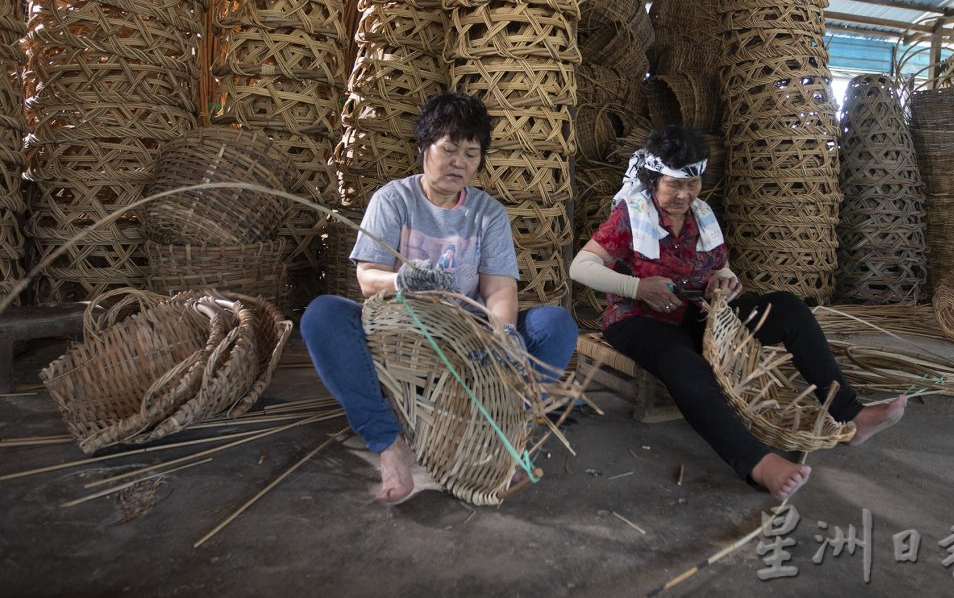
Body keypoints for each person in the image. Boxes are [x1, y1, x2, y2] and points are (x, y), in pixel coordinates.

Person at [569, 126, 906, 499]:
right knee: (685, 365)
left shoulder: (703, 215)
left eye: (692, 183)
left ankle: (851, 415)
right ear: (653, 179)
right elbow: (580, 267)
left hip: (699, 313)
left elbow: (720, 266)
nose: (684, 195)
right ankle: (757, 463)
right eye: (673, 185)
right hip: (638, 321)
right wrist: (636, 288)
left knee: (790, 309)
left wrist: (725, 282)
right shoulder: (630, 215)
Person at [301, 92, 578, 503]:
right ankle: (388, 442)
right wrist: (403, 282)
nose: (459, 163)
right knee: (322, 315)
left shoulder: (488, 213)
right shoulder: (393, 200)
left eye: (470, 153)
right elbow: (366, 278)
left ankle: (502, 427)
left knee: (556, 325)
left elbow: (499, 287)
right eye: (448, 149)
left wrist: (502, 335)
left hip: (466, 344)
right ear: (424, 149)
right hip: (398, 341)